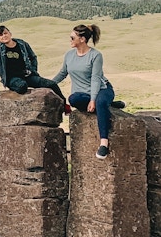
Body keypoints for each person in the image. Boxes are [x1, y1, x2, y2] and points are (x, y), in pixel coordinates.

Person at [51, 24, 125, 160]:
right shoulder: (69, 55)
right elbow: (62, 73)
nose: (70, 40)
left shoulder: (95, 55)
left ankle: (104, 143)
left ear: (82, 39)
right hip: (82, 94)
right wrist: (47, 85)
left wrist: (93, 100)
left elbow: (96, 79)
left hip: (102, 89)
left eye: (72, 37)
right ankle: (110, 105)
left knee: (100, 102)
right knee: (73, 99)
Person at [0, 25, 67, 110]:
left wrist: (33, 70)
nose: (4, 36)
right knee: (22, 86)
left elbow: (32, 57)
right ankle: (13, 87)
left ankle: (65, 106)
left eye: (5, 33)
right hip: (12, 78)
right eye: (1, 35)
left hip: (27, 75)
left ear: (10, 34)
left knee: (51, 84)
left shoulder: (22, 44)